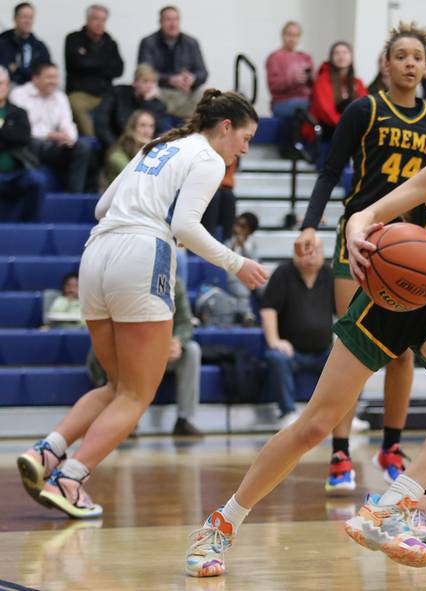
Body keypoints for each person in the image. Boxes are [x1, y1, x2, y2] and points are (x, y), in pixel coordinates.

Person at [184, 84, 426, 576]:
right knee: (315, 426)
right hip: (392, 299)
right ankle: (222, 523)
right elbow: (372, 211)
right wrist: (359, 234)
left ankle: (391, 505)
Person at [15, 89, 268, 519]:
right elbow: (185, 226)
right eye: (244, 138)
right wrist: (235, 262)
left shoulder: (159, 146)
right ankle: (71, 478)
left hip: (95, 254)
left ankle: (47, 452)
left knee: (116, 386)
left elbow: (100, 206)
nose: (244, 149)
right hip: (142, 254)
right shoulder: (208, 157)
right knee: (137, 394)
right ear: (225, 127)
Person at [294, 23, 426, 495]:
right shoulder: (364, 109)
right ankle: (339, 451)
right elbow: (329, 170)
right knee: (353, 348)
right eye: (401, 56)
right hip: (360, 237)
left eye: (417, 57)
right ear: (385, 64)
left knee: (401, 352)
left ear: (425, 65)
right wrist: (308, 225)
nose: (409, 64)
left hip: (407, 241)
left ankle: (392, 446)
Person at [87, 277, 204, 436]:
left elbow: (185, 323)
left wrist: (177, 341)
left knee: (192, 350)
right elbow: (109, 330)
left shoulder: (172, 283)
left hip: (160, 351)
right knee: (123, 350)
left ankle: (184, 420)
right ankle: (126, 420)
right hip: (127, 350)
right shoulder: (120, 282)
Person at [260, 234, 334, 427]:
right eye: (305, 251)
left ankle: (346, 416)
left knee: (352, 358)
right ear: (295, 253)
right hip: (292, 352)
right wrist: (275, 341)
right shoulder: (283, 273)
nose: (310, 256)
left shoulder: (330, 275)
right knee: (277, 357)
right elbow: (268, 309)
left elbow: (344, 310)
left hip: (323, 351)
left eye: (315, 251)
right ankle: (288, 413)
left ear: (323, 253)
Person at [10, 61, 92, 193]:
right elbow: (22, 130)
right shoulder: (19, 95)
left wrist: (68, 138)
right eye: (49, 77)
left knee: (82, 147)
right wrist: (50, 135)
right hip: (29, 144)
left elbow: (67, 123)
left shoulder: (60, 97)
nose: (53, 81)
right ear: (35, 78)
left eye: (56, 77)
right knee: (31, 143)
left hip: (54, 146)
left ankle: (74, 196)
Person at [137, 6, 208, 119]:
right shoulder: (148, 43)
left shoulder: (191, 42)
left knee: (205, 94)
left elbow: (203, 73)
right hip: (162, 91)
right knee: (148, 91)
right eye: (168, 19)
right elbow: (144, 74)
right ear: (160, 22)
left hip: (186, 93)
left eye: (176, 19)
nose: (173, 23)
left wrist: (191, 78)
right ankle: (182, 117)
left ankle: (184, 117)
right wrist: (171, 80)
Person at [64, 4, 124, 136]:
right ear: (87, 19)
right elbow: (77, 64)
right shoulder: (73, 39)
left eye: (103, 20)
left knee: (121, 104)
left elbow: (119, 69)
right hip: (81, 93)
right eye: (96, 19)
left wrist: (90, 62)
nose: (100, 23)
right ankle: (93, 141)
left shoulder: (110, 43)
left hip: (104, 93)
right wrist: (103, 64)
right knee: (75, 104)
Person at [0, 64, 45, 222]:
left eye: (1, 83)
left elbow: (23, 138)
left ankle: (31, 226)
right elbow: (15, 138)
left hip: (16, 173)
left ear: (7, 85)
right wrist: (8, 135)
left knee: (37, 180)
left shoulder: (18, 112)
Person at [94, 63, 169, 150]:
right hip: (117, 145)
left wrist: (147, 102)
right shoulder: (118, 93)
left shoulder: (158, 105)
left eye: (153, 82)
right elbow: (103, 124)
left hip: (143, 148)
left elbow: (158, 132)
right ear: (135, 82)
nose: (149, 86)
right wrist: (114, 146)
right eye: (145, 81)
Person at [307, 41, 366, 140]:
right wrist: (348, 126)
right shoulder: (322, 80)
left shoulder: (357, 82)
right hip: (328, 128)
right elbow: (326, 113)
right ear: (331, 58)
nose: (341, 56)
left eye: (345, 52)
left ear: (351, 57)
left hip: (350, 128)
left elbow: (364, 107)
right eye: (337, 53)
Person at [266, 21, 313, 120]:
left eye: (296, 35)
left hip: (306, 100)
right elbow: (273, 87)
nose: (292, 39)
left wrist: (312, 79)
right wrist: (293, 80)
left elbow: (313, 84)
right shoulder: (275, 58)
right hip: (283, 101)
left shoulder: (305, 57)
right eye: (289, 34)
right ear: (283, 36)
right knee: (305, 108)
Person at [0, 2, 50, 86]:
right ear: (15, 18)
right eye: (24, 17)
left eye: (30, 17)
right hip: (7, 86)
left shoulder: (39, 47)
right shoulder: (3, 42)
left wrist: (18, 68)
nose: (27, 21)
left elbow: (45, 71)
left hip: (34, 88)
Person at [225, 212, 259, 324]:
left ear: (250, 230)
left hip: (251, 276)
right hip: (234, 277)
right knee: (242, 291)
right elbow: (225, 260)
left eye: (243, 226)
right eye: (237, 224)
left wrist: (243, 246)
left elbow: (254, 262)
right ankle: (246, 315)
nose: (238, 228)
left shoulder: (253, 244)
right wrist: (235, 245)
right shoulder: (228, 242)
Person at [104, 110, 155, 182]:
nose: (147, 131)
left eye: (151, 126)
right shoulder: (117, 155)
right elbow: (134, 178)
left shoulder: (154, 149)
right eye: (142, 125)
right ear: (132, 128)